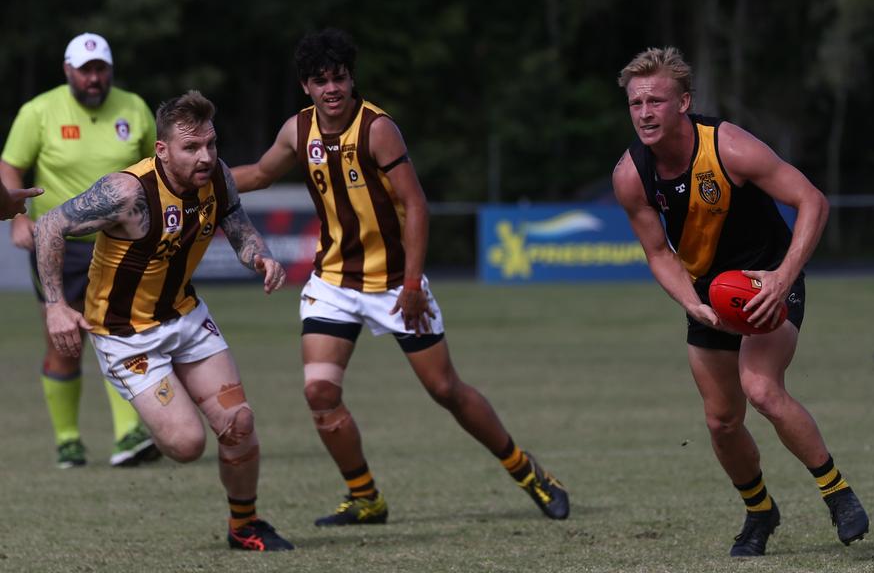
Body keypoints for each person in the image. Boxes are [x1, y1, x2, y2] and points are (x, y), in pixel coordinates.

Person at [231, 28, 569, 527]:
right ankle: (366, 497)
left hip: (394, 284)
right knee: (319, 392)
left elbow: (415, 204)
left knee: (445, 390)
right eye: (320, 80)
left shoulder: (377, 129)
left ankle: (528, 471)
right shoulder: (296, 131)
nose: (332, 89)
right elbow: (259, 175)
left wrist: (411, 286)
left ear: (351, 79)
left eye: (339, 78)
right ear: (305, 86)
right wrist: (192, 176)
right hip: (333, 284)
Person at [613, 47, 868, 557]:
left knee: (761, 388)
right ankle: (759, 511)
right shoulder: (630, 175)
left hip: (766, 277)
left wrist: (782, 277)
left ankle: (837, 493)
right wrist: (691, 302)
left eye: (656, 100)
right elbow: (659, 253)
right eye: (636, 102)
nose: (644, 112)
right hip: (708, 291)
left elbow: (812, 200)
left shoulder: (728, 146)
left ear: (683, 102)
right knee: (721, 421)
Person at [33, 91, 295, 551]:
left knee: (239, 422)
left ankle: (245, 525)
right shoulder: (127, 193)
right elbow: (50, 224)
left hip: (185, 316)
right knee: (187, 444)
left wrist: (260, 257)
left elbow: (235, 221)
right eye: (191, 148)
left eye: (211, 144)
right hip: (125, 336)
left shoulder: (218, 176)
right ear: (162, 150)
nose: (206, 156)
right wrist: (56, 305)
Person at [1, 32, 160, 468]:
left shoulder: (134, 107)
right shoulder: (39, 111)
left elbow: (157, 167)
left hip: (121, 243)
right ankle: (68, 440)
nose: (94, 78)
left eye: (101, 69)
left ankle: (129, 434)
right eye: (85, 70)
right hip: (57, 244)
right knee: (64, 342)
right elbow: (11, 166)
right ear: (68, 70)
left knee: (120, 334)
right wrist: (17, 216)